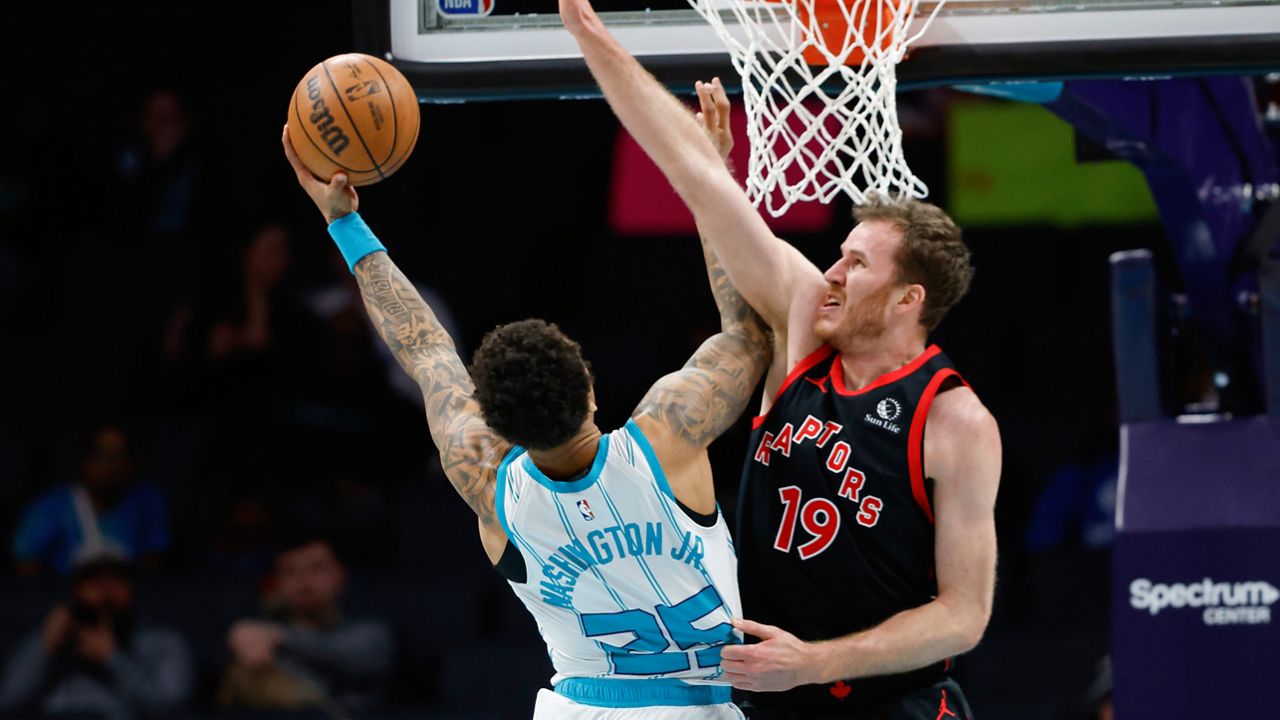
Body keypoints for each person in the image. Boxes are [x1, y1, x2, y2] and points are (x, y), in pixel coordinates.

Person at [558, 3, 1003, 718]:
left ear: (905, 300)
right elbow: (696, 177)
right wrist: (590, 35)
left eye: (856, 264)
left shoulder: (955, 420)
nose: (830, 272)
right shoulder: (806, 333)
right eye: (837, 255)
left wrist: (813, 663)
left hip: (895, 703)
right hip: (774, 698)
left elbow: (963, 616)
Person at [281, 106, 771, 717]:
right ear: (590, 388)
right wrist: (712, 170)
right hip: (708, 703)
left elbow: (425, 349)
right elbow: (748, 332)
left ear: (497, 426)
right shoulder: (668, 436)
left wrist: (344, 222)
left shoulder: (487, 479)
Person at [0, 551, 193, 719]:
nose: (106, 590)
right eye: (94, 580)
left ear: (133, 588)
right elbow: (7, 704)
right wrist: (44, 648)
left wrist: (113, 658)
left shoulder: (163, 642)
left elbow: (169, 710)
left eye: (116, 579)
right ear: (75, 589)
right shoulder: (47, 638)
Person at [220, 535, 394, 713]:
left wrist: (276, 636)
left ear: (341, 575)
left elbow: (352, 656)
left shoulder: (370, 634)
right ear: (277, 583)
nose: (303, 581)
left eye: (316, 568)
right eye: (290, 571)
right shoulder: (259, 645)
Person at [12, 425, 169, 577]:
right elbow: (27, 567)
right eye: (103, 456)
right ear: (85, 462)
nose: (112, 466)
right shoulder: (50, 507)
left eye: (120, 456)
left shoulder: (147, 503)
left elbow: (153, 566)